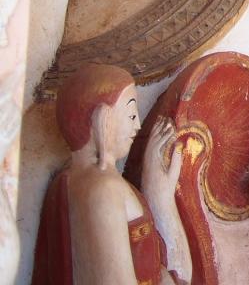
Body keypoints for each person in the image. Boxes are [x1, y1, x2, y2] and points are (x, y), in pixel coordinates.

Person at [34, 64, 190, 285]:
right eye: (131, 114)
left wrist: (159, 191)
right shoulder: (104, 189)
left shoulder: (71, 181)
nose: (137, 126)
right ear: (102, 119)